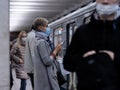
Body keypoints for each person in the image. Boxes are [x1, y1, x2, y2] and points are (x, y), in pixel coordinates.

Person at [63, 0, 120, 90]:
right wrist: (83, 58)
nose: (105, 1)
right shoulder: (81, 32)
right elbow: (67, 64)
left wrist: (115, 58)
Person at [32, 17, 62, 90]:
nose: (48, 28)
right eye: (46, 26)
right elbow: (47, 61)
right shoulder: (42, 42)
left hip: (43, 76)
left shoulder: (38, 40)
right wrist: (56, 50)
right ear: (40, 27)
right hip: (46, 78)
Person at [24, 25, 35, 89]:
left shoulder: (30, 36)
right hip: (32, 68)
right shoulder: (32, 36)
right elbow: (33, 54)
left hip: (29, 66)